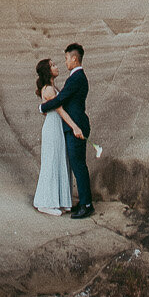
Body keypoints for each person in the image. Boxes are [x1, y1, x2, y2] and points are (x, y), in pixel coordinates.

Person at [39, 43, 93, 217]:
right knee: (77, 166)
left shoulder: (76, 78)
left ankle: (86, 204)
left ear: (74, 58)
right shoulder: (76, 77)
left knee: (78, 166)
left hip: (75, 126)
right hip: (72, 126)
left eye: (66, 58)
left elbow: (60, 100)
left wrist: (42, 108)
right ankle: (84, 202)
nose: (65, 62)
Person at [32, 58, 79, 215]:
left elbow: (46, 110)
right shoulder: (49, 90)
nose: (56, 67)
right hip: (52, 128)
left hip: (56, 127)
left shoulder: (53, 88)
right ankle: (46, 203)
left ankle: (60, 200)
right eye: (52, 65)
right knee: (51, 161)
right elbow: (59, 110)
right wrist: (74, 126)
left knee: (59, 160)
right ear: (47, 71)